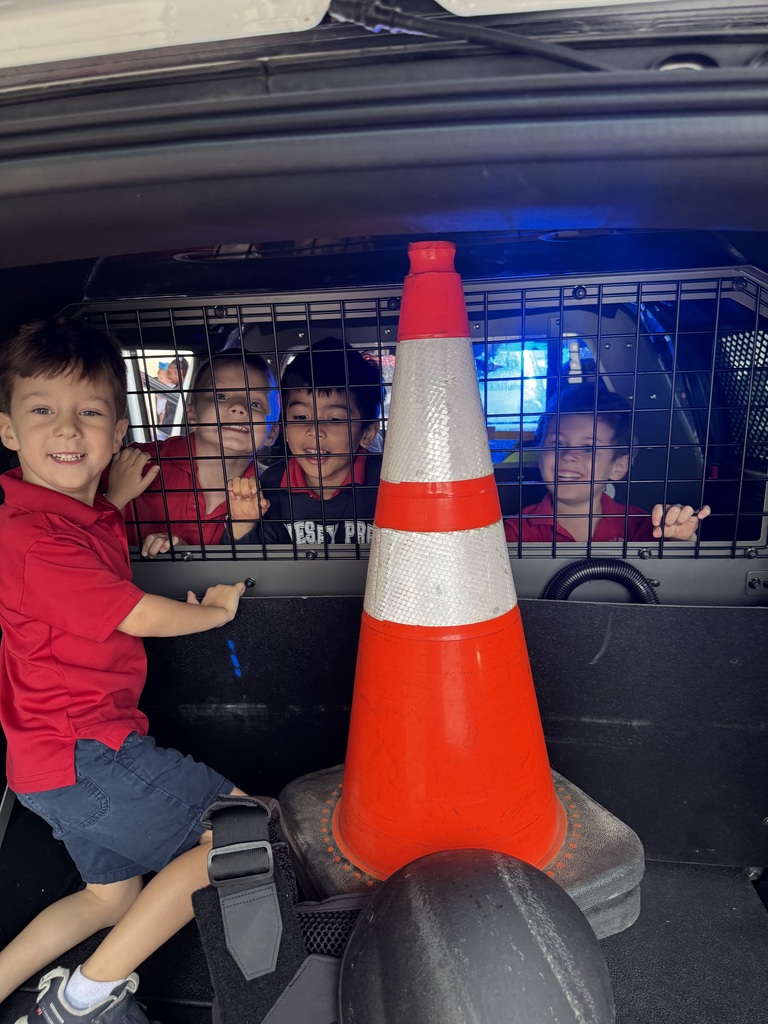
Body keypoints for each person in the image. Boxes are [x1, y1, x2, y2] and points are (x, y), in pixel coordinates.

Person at [0, 319, 248, 1023]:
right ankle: (81, 1003)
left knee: (113, 896)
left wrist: (115, 501)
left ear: (115, 435)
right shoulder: (31, 539)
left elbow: (85, 533)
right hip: (88, 752)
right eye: (42, 409)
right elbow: (137, 614)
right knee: (238, 833)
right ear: (8, 430)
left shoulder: (60, 518)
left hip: (48, 762)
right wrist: (216, 612)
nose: (68, 428)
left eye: (90, 412)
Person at [107, 351, 279, 557]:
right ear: (192, 414)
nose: (238, 408)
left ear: (273, 433)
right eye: (221, 396)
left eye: (255, 404)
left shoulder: (273, 495)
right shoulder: (138, 462)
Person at [503, 383, 711, 543]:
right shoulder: (515, 532)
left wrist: (677, 540)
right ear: (540, 452)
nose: (567, 455)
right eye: (557, 444)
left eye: (588, 448)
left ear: (618, 467)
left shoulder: (642, 525)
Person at [224, 338, 383, 546]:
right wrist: (243, 524)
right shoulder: (272, 485)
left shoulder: (385, 482)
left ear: (368, 432)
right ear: (285, 429)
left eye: (334, 419)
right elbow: (252, 570)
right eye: (300, 417)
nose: (314, 431)